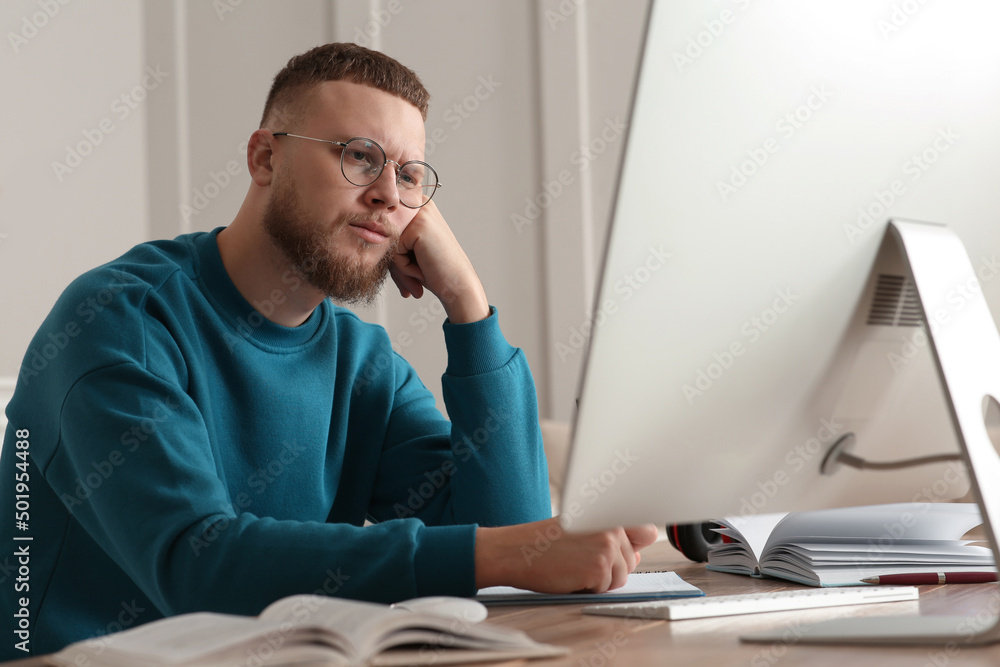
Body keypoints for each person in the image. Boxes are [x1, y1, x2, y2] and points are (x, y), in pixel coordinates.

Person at [0, 43, 657, 659]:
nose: (389, 195)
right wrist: (502, 553)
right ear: (265, 158)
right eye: (360, 157)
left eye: (408, 175)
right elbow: (196, 563)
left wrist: (469, 306)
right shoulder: (117, 319)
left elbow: (507, 535)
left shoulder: (361, 362)